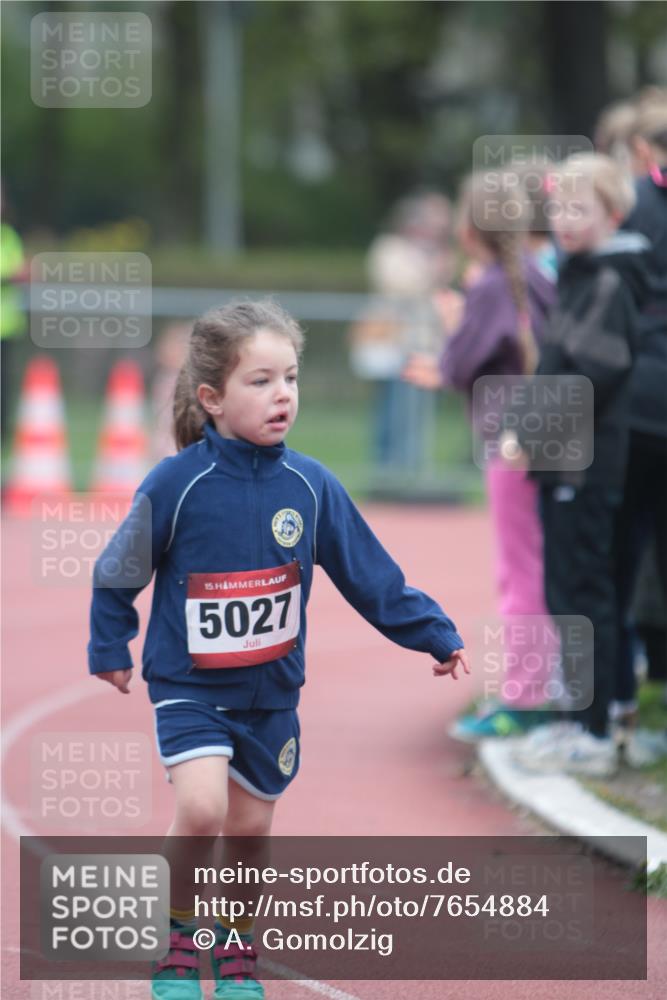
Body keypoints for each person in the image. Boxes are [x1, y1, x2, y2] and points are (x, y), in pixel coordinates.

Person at [87, 299, 469, 1000]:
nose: (281, 394)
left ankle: (234, 945)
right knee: (203, 810)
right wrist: (110, 641)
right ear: (212, 398)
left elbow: (369, 575)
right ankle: (176, 940)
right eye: (260, 381)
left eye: (289, 378)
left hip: (271, 696)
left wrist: (432, 632)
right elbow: (119, 569)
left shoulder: (312, 486)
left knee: (249, 830)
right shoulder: (176, 483)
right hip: (190, 686)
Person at [505, 154, 650, 777]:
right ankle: (578, 718)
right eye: (558, 207)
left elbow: (593, 372)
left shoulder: (610, 281)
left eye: (579, 209)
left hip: (585, 464)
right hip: (561, 461)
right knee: (566, 590)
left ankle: (592, 730)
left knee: (584, 591)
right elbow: (555, 364)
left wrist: (528, 429)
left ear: (612, 215)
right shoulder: (580, 274)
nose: (564, 219)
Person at [405, 170, 556, 740]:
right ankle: (546, 685)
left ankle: (526, 695)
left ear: (469, 231)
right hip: (546, 433)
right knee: (542, 563)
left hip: (513, 443)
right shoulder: (536, 274)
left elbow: (463, 360)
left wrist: (452, 328)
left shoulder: (492, 286)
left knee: (520, 570)